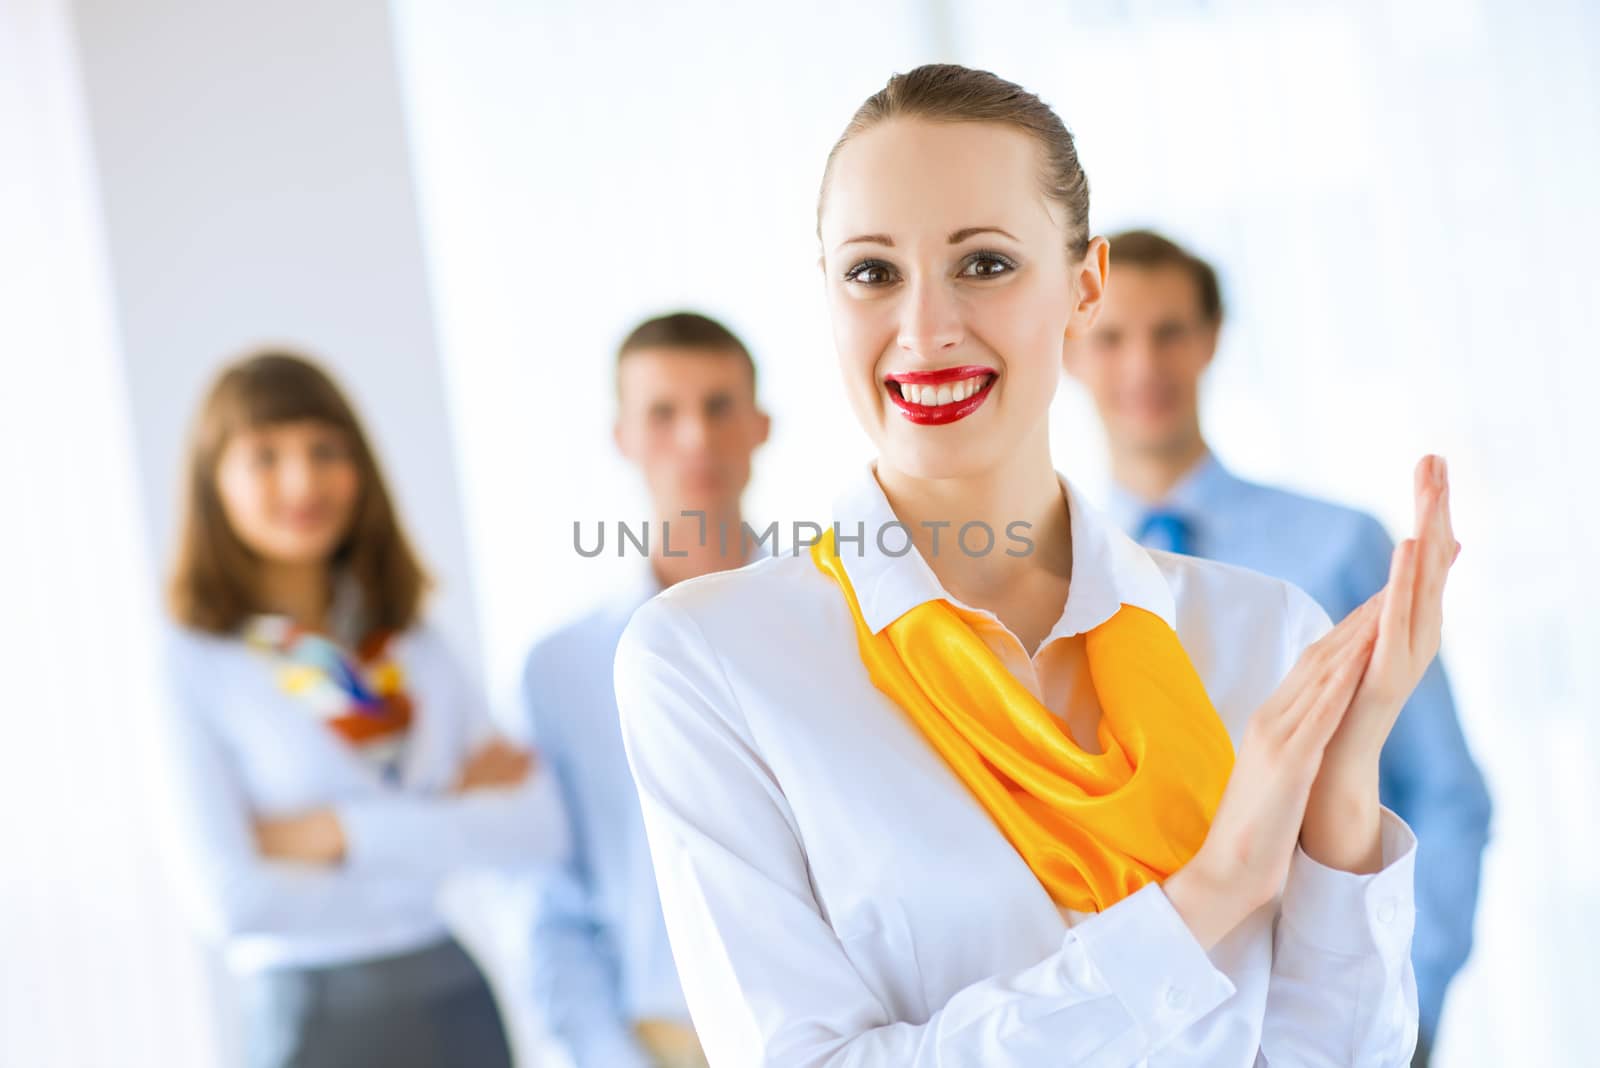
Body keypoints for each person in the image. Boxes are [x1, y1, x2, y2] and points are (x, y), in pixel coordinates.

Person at [612, 64, 1455, 1066]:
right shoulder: (714, 661)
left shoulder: (1266, 634)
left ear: (1083, 286)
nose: (923, 331)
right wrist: (1210, 890)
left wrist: (1346, 775)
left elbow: (1336, 1054)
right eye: (873, 272)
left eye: (983, 264)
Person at [1065, 228, 1490, 1064]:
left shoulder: (1337, 546)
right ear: (1070, 349)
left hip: (1341, 1018)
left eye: (1170, 331)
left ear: (1212, 340)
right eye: (1112, 336)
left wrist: (1411, 1003)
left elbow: (1444, 791)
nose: (1143, 364)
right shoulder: (1056, 583)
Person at [153, 350, 568, 1068]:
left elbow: (538, 832)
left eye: (325, 450)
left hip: (456, 1002)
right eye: (265, 457)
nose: (303, 480)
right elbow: (227, 900)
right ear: (212, 481)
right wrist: (446, 809)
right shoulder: (195, 660)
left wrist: (337, 833)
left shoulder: (410, 641)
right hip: (311, 1021)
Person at [522, 312, 772, 1068]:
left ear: (760, 425)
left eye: (719, 406)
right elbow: (554, 898)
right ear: (622, 436)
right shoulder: (561, 669)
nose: (695, 436)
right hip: (661, 1041)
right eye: (663, 413)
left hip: (843, 1023)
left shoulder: (843, 620)